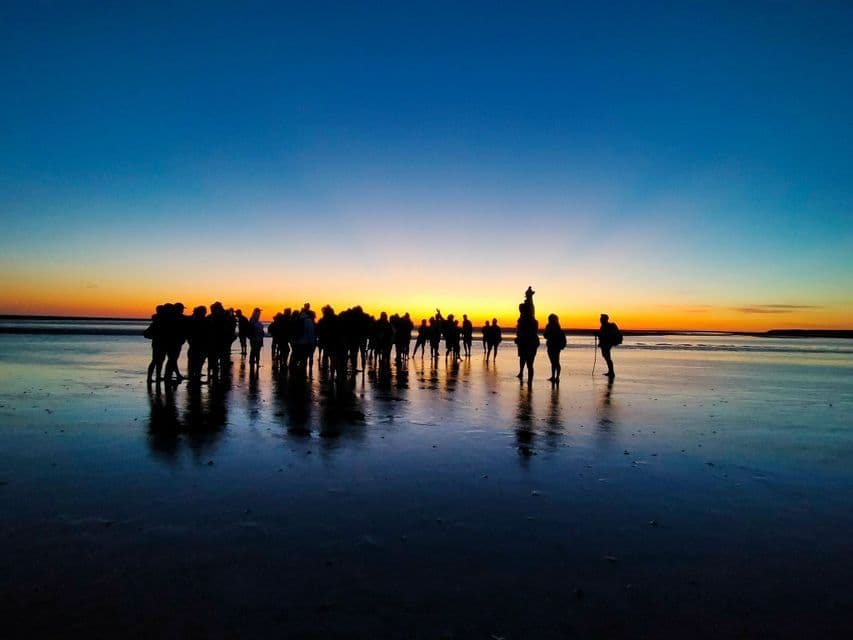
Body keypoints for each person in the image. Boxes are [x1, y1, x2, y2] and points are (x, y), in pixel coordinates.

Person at [515, 302, 539, 383]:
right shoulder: (525, 319)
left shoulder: (529, 321)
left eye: (521, 310)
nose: (520, 311)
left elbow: (526, 333)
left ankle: (529, 382)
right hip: (527, 343)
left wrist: (519, 338)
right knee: (524, 360)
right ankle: (522, 374)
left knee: (529, 363)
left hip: (529, 343)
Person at [543, 313, 567, 382]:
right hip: (554, 347)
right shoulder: (557, 327)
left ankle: (556, 377)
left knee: (555, 362)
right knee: (555, 362)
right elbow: (545, 335)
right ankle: (555, 377)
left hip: (553, 346)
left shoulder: (552, 327)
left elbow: (545, 335)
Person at [597, 313, 622, 378]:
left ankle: (611, 372)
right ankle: (610, 371)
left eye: (601, 319)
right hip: (605, 344)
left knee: (607, 358)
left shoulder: (607, 326)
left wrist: (599, 335)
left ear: (604, 319)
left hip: (607, 344)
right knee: (606, 357)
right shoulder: (603, 326)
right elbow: (602, 335)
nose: (600, 320)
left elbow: (605, 335)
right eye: (600, 319)